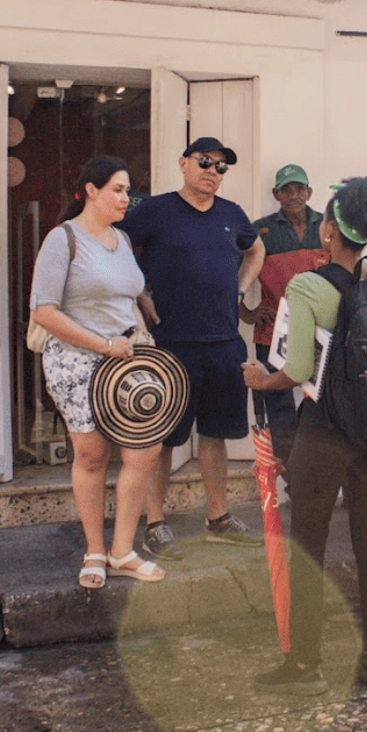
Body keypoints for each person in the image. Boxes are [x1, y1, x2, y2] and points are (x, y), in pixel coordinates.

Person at [241, 177, 367, 694]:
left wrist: (260, 379)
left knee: (309, 544)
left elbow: (296, 369)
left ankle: (306, 667)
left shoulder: (307, 287)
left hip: (325, 431)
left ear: (328, 231)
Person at [118, 137, 266, 561]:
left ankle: (218, 519)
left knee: (215, 435)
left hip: (222, 342)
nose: (212, 171)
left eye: (220, 166)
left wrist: (240, 288)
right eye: (204, 162)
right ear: (183, 163)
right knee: (161, 439)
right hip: (171, 344)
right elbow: (117, 245)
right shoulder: (156, 211)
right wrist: (139, 293)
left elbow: (256, 250)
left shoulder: (231, 214)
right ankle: (155, 524)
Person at [29, 155, 164, 589]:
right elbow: (43, 311)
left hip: (126, 357)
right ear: (91, 190)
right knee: (92, 455)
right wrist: (103, 345)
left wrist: (141, 314)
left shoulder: (121, 239)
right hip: (78, 359)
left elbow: (126, 290)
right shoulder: (62, 239)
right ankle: (94, 550)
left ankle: (122, 549)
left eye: (128, 191)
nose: (126, 198)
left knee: (145, 447)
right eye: (118, 190)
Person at [243, 163, 328, 461]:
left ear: (309, 192)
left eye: (299, 188)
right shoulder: (261, 229)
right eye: (286, 189)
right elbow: (229, 269)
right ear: (276, 193)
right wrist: (245, 311)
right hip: (274, 330)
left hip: (321, 330)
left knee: (323, 402)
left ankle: (316, 469)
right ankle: (291, 475)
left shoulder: (327, 226)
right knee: (278, 406)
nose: (294, 195)